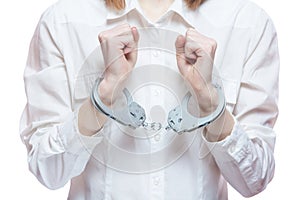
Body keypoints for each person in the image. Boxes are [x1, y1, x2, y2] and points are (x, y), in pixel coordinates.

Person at [19, 0, 279, 199]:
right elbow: (47, 170)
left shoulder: (248, 23)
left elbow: (254, 180)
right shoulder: (62, 22)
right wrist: (104, 96)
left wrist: (211, 106)